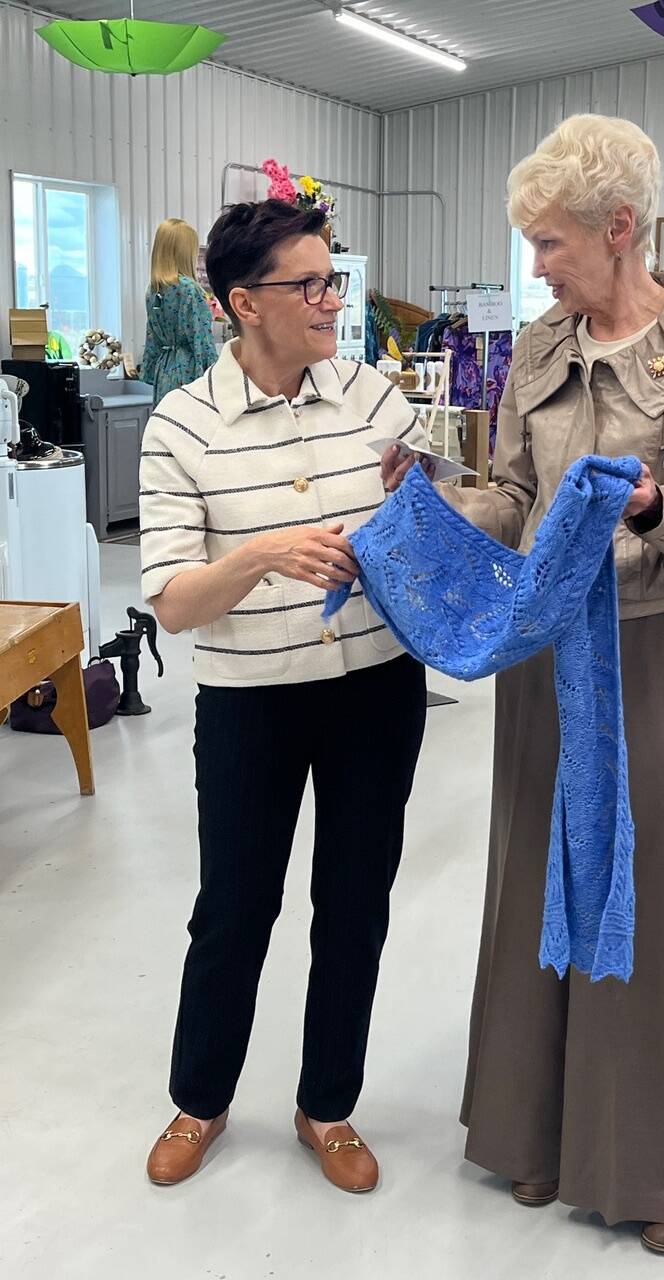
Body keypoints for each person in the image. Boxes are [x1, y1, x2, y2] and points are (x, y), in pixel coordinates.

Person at [384, 113, 664, 1255]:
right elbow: (509, 495)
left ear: (619, 228)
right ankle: (533, 1139)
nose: (536, 266)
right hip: (541, 649)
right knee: (529, 868)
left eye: (550, 242)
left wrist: (651, 505)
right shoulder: (542, 347)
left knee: (636, 888)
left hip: (644, 651)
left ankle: (653, 1165)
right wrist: (432, 505)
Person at [141, 199, 431, 1191]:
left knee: (356, 900)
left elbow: (427, 507)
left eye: (331, 278)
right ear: (240, 305)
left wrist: (429, 492)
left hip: (377, 692)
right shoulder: (182, 427)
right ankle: (200, 1097)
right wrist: (262, 553)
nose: (330, 301)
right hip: (250, 700)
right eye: (306, 284)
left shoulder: (374, 396)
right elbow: (175, 603)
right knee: (234, 904)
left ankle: (328, 1103)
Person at [142, 218, 218, 405]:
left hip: (164, 369)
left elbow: (151, 339)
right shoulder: (189, 289)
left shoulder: (153, 290)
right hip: (188, 371)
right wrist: (215, 375)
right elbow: (201, 339)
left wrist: (149, 372)